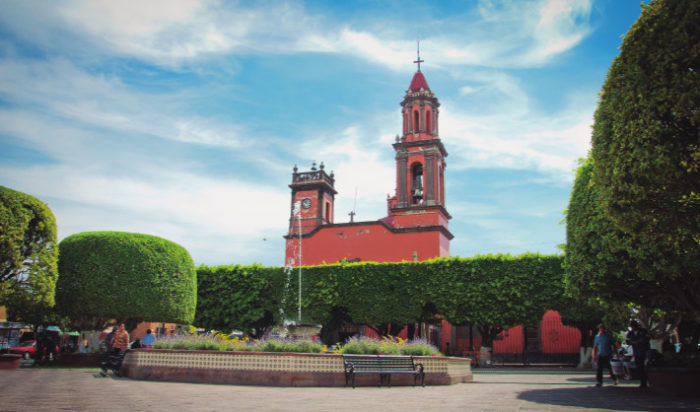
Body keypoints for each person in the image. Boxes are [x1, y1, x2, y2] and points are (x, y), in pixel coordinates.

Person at [626, 320, 650, 388]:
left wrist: (639, 341)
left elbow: (647, 338)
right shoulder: (630, 333)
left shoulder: (643, 331)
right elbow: (627, 341)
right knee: (639, 367)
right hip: (636, 352)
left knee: (644, 366)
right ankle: (642, 382)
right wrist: (632, 342)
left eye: (633, 326)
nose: (632, 328)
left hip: (644, 351)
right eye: (631, 326)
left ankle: (645, 381)